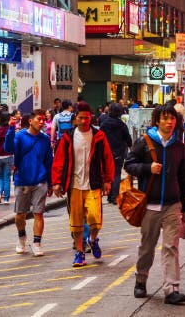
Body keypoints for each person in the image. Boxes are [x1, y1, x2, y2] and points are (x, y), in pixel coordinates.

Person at [125, 102, 185, 304]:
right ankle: (141, 280)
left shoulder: (179, 146)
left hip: (172, 205)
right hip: (150, 206)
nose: (170, 122)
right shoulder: (144, 142)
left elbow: (184, 176)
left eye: (172, 119)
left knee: (171, 247)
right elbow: (129, 164)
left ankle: (171, 288)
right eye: (165, 118)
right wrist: (147, 168)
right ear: (157, 121)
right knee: (147, 247)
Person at [52, 102, 115, 268]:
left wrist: (108, 180)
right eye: (81, 117)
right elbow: (59, 161)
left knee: (95, 218)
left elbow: (107, 159)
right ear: (75, 119)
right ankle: (79, 252)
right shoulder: (68, 137)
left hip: (93, 184)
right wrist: (57, 182)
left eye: (87, 117)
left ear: (91, 118)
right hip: (74, 185)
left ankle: (93, 239)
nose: (84, 120)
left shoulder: (99, 136)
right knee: (77, 221)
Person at [5, 109, 54, 257]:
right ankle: (21, 237)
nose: (41, 122)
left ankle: (37, 243)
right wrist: (10, 129)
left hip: (40, 181)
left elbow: (48, 161)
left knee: (38, 214)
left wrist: (51, 183)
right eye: (39, 119)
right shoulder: (20, 136)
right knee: (20, 214)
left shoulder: (45, 139)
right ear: (30, 121)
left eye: (43, 120)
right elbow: (8, 148)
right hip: (23, 181)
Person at [99, 103, 133, 205]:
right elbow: (129, 140)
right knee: (116, 174)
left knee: (108, 174)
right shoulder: (122, 124)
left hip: (106, 153)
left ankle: (110, 195)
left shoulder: (104, 124)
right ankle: (114, 197)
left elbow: (99, 138)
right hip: (118, 152)